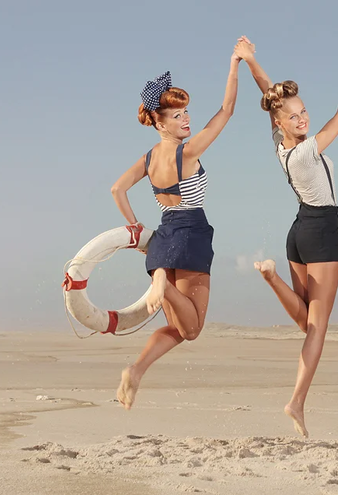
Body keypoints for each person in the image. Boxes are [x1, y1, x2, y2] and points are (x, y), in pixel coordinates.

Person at [234, 37, 338, 437]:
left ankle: (271, 277)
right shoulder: (305, 153)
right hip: (321, 233)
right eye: (293, 116)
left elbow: (269, 94)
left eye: (303, 112)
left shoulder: (280, 147)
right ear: (281, 123)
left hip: (298, 233)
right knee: (317, 328)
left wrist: (250, 60)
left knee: (306, 321)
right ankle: (296, 401)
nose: (301, 119)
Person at [109, 50, 242, 410]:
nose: (186, 120)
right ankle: (163, 283)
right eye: (177, 115)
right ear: (161, 123)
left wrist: (135, 227)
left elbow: (117, 189)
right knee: (194, 329)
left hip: (163, 237)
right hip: (191, 234)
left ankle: (136, 370)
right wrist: (235, 64)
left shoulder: (150, 158)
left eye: (186, 112)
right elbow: (227, 110)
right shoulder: (187, 152)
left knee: (179, 329)